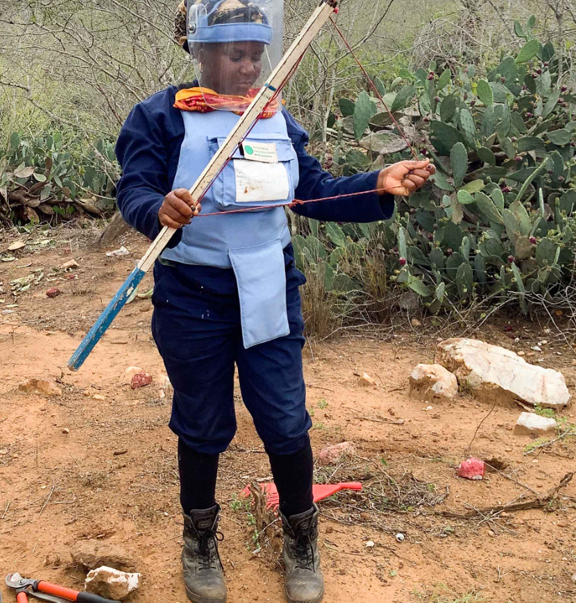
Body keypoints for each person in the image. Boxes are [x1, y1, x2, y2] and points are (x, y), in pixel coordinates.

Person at [115, 1, 435, 601]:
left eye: (257, 55)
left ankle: (300, 539)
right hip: (193, 298)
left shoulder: (272, 118)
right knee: (203, 424)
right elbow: (134, 187)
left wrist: (374, 184)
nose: (248, 68)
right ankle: (200, 539)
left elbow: (311, 191)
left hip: (269, 290)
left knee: (286, 423)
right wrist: (156, 207)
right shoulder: (159, 117)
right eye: (235, 55)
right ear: (202, 53)